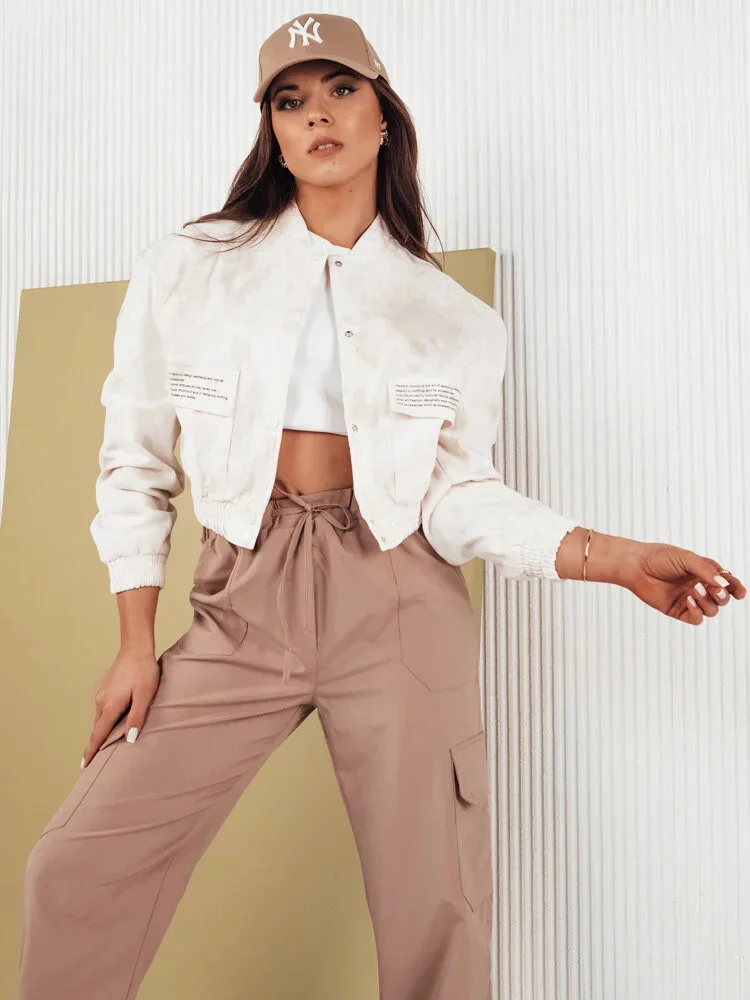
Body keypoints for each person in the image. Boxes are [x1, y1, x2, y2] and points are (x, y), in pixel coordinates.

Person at [16, 12, 745, 1000]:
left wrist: (611, 556)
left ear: (383, 115)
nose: (317, 115)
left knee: (435, 906)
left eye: (340, 91)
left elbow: (458, 492)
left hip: (399, 602)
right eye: (290, 101)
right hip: (242, 601)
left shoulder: (451, 317)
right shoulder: (189, 267)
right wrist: (135, 643)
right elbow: (133, 457)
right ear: (273, 133)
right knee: (76, 864)